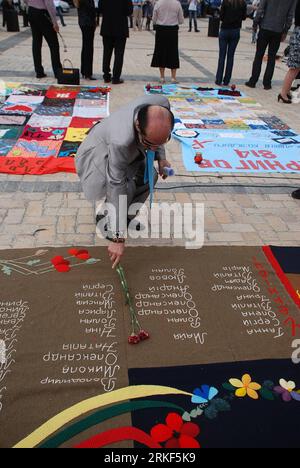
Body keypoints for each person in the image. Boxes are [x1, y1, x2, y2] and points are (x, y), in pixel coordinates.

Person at [76, 95, 174, 268]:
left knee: (150, 175)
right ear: (138, 126)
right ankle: (107, 220)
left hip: (132, 146)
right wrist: (118, 239)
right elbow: (116, 185)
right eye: (149, 144)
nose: (153, 148)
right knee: (126, 187)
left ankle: (125, 217)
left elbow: (158, 137)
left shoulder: (161, 107)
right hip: (100, 151)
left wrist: (161, 158)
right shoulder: (121, 141)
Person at [245, 0, 297, 91]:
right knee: (272, 57)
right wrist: (285, 30)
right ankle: (267, 83)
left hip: (265, 27)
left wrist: (255, 23)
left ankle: (253, 81)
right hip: (278, 30)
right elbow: (290, 15)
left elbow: (261, 9)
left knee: (259, 55)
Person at [24, 0, 62, 79]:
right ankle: (57, 72)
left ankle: (39, 71)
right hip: (42, 13)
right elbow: (49, 4)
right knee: (53, 44)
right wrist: (54, 22)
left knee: (36, 43)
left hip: (31, 11)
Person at [99, 0, 133, 85]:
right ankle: (116, 78)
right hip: (120, 28)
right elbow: (129, 11)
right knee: (119, 54)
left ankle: (106, 76)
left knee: (106, 53)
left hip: (107, 27)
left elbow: (100, 9)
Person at [151, 0, 184, 84]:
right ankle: (173, 77)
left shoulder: (158, 3)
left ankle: (162, 77)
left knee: (161, 52)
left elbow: (154, 19)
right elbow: (181, 20)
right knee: (173, 52)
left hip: (161, 30)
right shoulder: (177, 3)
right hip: (172, 30)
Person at [215, 0, 247, 86]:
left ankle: (218, 79)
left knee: (222, 56)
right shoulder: (242, 3)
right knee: (230, 56)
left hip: (225, 30)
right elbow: (244, 17)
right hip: (235, 30)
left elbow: (221, 17)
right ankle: (226, 80)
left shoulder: (226, 2)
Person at [278, 0, 300, 103]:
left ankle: (286, 92)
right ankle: (283, 93)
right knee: (295, 68)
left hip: (297, 34)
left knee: (295, 68)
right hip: (298, 36)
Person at [74, 0, 97, 80]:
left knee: (85, 47)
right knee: (88, 48)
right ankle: (87, 73)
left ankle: (84, 71)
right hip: (88, 22)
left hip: (84, 22)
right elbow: (91, 9)